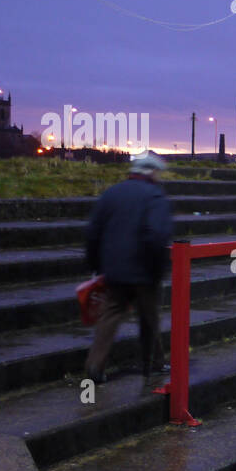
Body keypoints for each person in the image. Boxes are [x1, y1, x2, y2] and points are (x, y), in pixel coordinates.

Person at [83, 151, 174, 383]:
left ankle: (95, 365)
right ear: (152, 173)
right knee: (149, 317)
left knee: (111, 314)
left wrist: (97, 265)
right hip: (145, 270)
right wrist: (159, 266)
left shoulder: (111, 193)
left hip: (114, 269)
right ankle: (153, 363)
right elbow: (157, 234)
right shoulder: (155, 196)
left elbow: (93, 233)